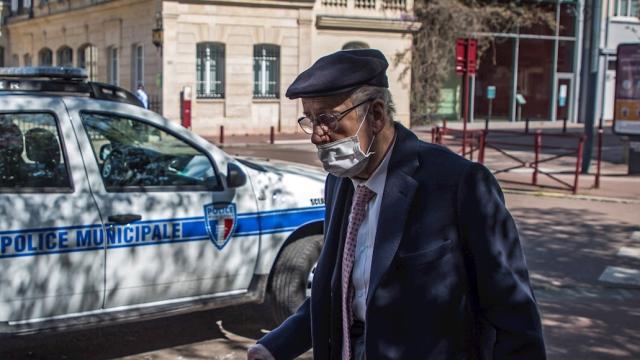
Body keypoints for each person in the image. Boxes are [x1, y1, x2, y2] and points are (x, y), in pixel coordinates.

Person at [247, 49, 545, 360]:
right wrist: (274, 346)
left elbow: (513, 313)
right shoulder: (339, 181)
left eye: (329, 119)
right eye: (310, 120)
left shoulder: (458, 184)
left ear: (375, 115)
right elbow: (338, 290)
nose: (318, 136)